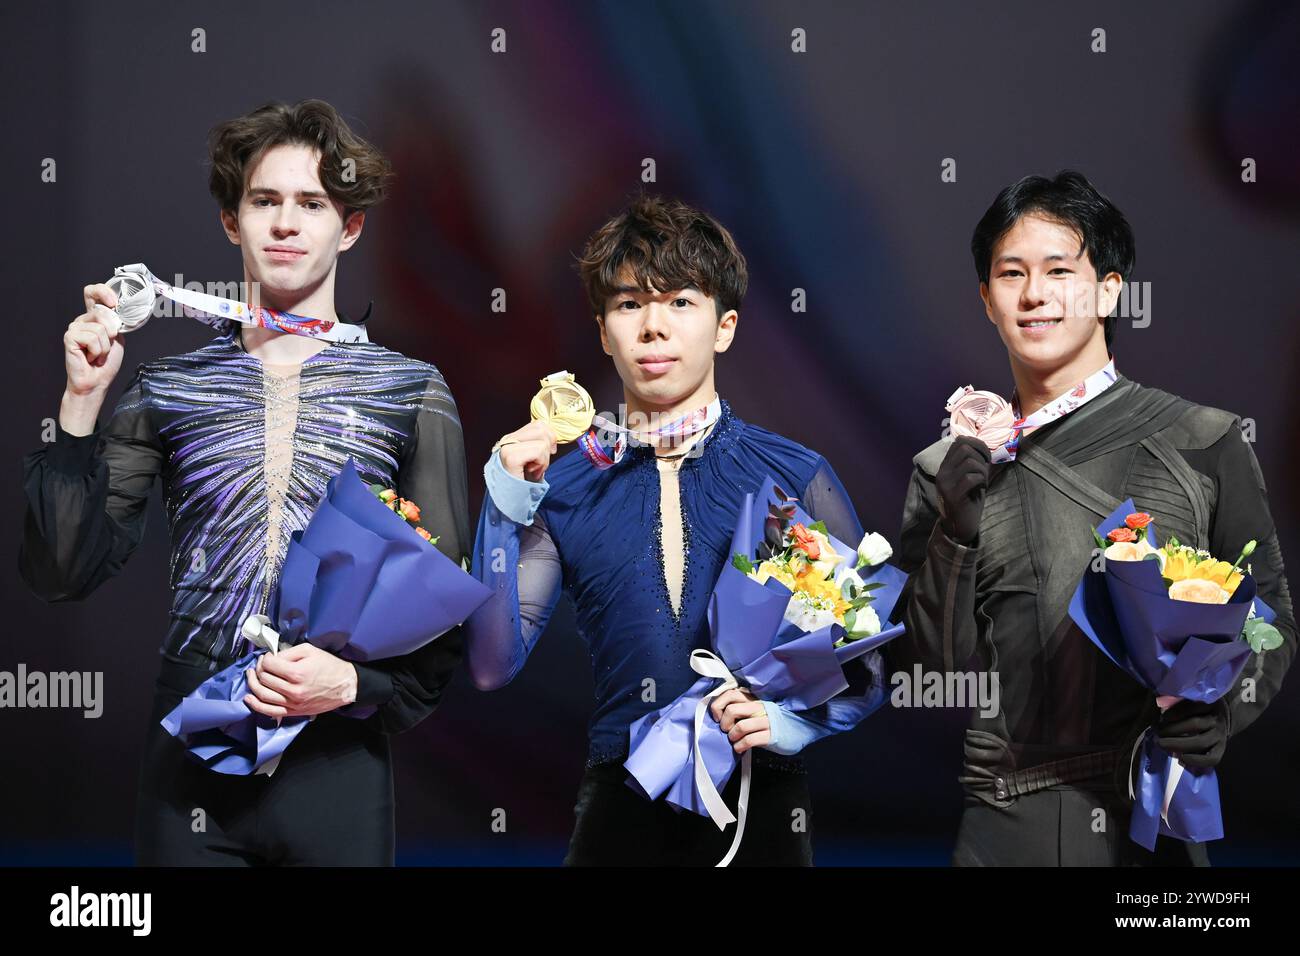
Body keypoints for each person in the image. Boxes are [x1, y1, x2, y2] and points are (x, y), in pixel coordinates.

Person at [19, 99, 469, 866]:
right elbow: (61, 570)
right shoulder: (170, 388)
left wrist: (355, 687)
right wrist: (80, 406)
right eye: (264, 201)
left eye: (312, 204)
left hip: (337, 758)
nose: (286, 224)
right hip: (192, 749)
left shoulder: (410, 390)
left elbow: (446, 608)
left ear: (349, 227)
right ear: (232, 221)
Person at [464, 194, 886, 865]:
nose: (653, 327)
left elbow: (864, 663)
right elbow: (490, 664)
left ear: (725, 326)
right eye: (630, 304)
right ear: (603, 332)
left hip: (762, 802)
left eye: (681, 302)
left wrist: (789, 724)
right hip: (619, 808)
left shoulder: (795, 471)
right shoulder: (562, 489)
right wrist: (502, 502)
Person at [893, 170, 1296, 865]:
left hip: (1153, 809)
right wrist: (955, 533)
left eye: (1058, 270)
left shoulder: (1204, 440)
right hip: (1004, 817)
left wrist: (1221, 711)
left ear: (1110, 290)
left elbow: (1273, 619)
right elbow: (923, 663)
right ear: (987, 300)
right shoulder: (945, 468)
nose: (1034, 293)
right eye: (1010, 274)